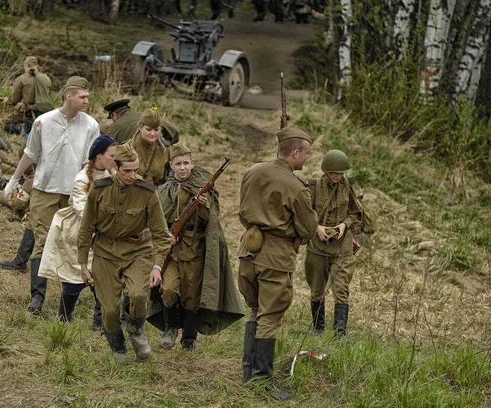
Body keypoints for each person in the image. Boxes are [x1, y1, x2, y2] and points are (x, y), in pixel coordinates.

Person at [4, 76, 100, 316]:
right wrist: (14, 180)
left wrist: (93, 188)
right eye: (83, 97)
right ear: (69, 96)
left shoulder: (90, 125)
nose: (87, 101)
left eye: (87, 96)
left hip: (75, 193)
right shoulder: (43, 122)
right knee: (42, 240)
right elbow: (31, 154)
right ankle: (37, 297)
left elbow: (92, 162)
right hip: (45, 189)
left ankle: (70, 295)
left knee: (73, 242)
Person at [237, 126, 318, 400]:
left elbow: (242, 211)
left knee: (254, 310)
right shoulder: (297, 187)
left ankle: (248, 371)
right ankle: (261, 380)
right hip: (275, 256)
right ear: (295, 152)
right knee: (269, 316)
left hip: (248, 249)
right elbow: (308, 228)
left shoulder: (252, 171)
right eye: (306, 153)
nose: (307, 158)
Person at [77, 143, 171, 362]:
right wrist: (83, 264)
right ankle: (118, 346)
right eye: (126, 170)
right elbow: (86, 229)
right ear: (115, 167)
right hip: (104, 252)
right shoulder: (99, 190)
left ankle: (137, 331)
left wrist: (157, 266)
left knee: (138, 294)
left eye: (134, 170)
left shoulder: (147, 192)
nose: (131, 175)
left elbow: (161, 234)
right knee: (109, 310)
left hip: (137, 250)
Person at [147, 144, 244, 351]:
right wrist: (165, 236)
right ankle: (171, 328)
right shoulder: (165, 190)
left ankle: (188, 339)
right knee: (168, 288)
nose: (182, 168)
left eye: (186, 163)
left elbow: (213, 220)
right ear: (171, 166)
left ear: (192, 164)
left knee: (192, 296)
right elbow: (157, 220)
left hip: (195, 250)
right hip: (171, 251)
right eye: (178, 164)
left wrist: (204, 206)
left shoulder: (203, 186)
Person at [38, 135, 118, 328]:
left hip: (103, 232)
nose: (115, 159)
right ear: (99, 155)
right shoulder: (82, 179)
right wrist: (104, 222)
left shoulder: (111, 175)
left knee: (102, 277)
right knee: (76, 278)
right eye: (112, 155)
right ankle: (64, 317)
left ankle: (100, 322)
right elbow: (81, 209)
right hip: (82, 232)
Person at [304, 150, 363, 339]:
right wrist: (317, 227)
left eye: (341, 173)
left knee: (341, 288)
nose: (339, 176)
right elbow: (305, 213)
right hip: (317, 246)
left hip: (342, 246)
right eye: (335, 173)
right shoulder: (313, 187)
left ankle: (340, 333)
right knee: (317, 288)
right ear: (327, 171)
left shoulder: (348, 186)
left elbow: (356, 213)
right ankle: (318, 329)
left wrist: (344, 225)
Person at [3, 56, 54, 135]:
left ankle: (22, 128)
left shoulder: (21, 79)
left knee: (3, 122)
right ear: (37, 66)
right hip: (46, 113)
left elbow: (14, 100)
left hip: (29, 112)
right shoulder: (47, 79)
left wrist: (7, 100)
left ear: (27, 66)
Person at [122, 107, 169, 186]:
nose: (153, 133)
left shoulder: (163, 150)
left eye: (156, 130)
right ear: (140, 128)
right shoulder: (127, 149)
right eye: (148, 129)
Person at [103, 99, 179, 145]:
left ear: (114, 115)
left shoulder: (113, 128)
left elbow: (108, 149)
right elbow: (174, 132)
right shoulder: (148, 116)